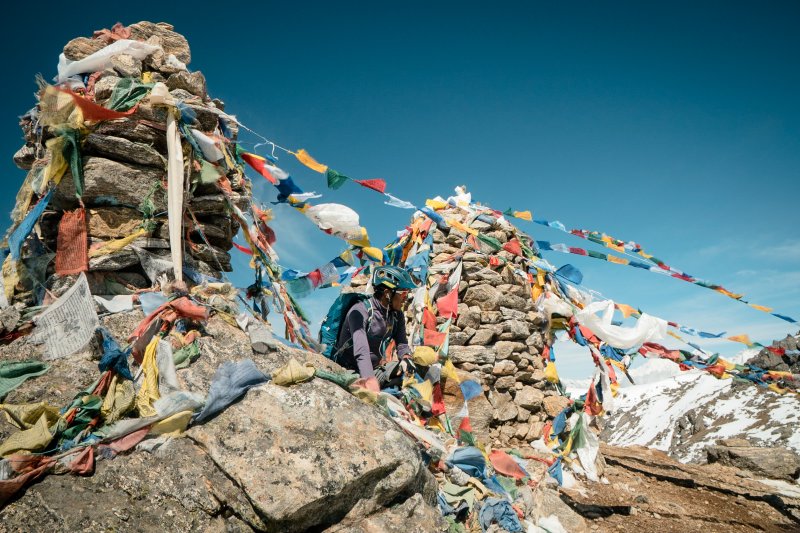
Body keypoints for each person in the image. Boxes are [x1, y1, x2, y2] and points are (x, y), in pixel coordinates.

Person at [334, 265, 418, 392]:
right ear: (387, 294)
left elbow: (401, 343)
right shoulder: (360, 311)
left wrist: (406, 358)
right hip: (347, 371)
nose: (406, 299)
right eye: (403, 293)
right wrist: (369, 380)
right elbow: (361, 350)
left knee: (414, 374)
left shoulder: (396, 315)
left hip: (374, 370)